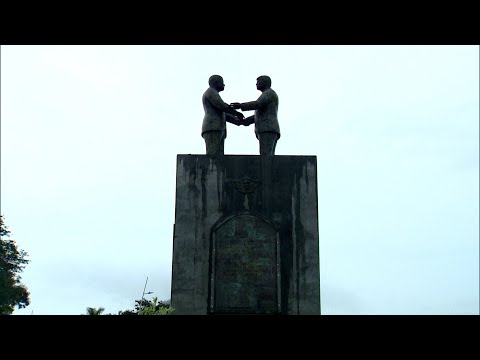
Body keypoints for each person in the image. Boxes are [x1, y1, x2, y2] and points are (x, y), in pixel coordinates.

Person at [230, 75, 280, 155]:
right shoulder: (267, 94)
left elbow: (257, 104)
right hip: (267, 128)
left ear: (265, 82)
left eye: (258, 82)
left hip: (267, 128)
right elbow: (261, 114)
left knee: (266, 155)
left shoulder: (269, 93)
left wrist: (240, 106)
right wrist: (246, 121)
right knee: (267, 155)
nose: (256, 84)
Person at [201, 75, 245, 155]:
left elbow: (223, 113)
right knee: (212, 154)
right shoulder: (211, 92)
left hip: (218, 127)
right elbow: (221, 106)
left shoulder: (214, 93)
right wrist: (236, 113)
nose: (224, 85)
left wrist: (236, 120)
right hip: (212, 126)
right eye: (222, 82)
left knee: (219, 155)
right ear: (216, 83)